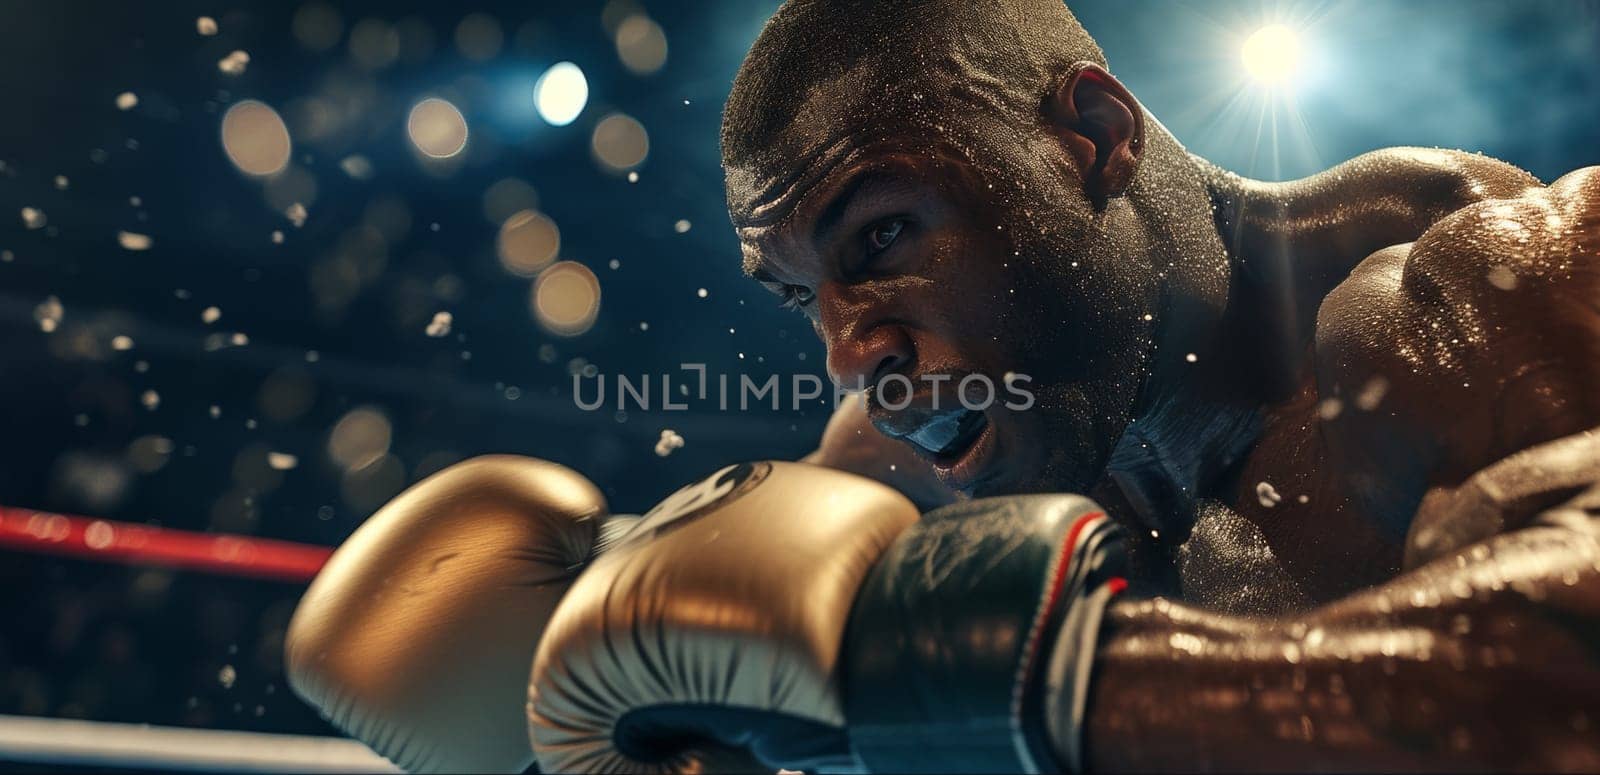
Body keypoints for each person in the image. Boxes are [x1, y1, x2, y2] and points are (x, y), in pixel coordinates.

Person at [287, 1, 1600, 771]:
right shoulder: (901, 455)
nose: (852, 352)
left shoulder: (1482, 300)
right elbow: (734, 641)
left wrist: (1068, 675)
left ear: (1090, 138)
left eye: (883, 240)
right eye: (806, 295)